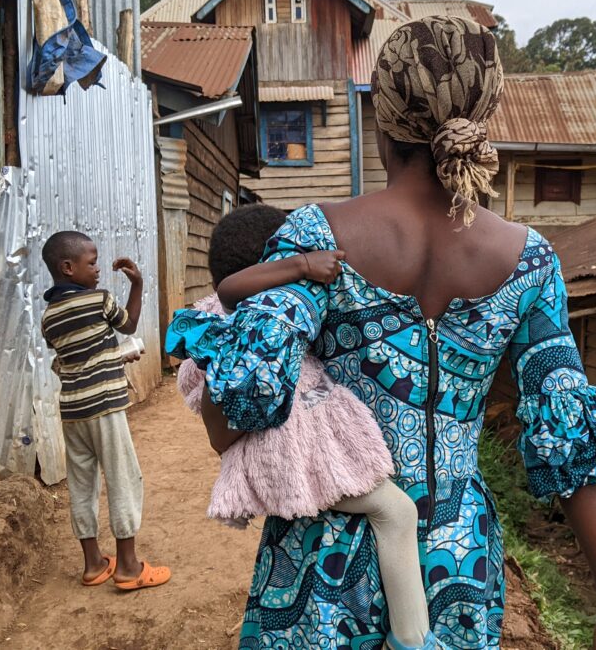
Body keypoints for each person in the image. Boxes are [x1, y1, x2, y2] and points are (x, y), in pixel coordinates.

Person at [167, 16, 596, 649]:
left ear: (381, 120)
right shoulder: (530, 261)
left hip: (326, 555)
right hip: (458, 557)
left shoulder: (315, 238)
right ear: (484, 118)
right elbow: (573, 444)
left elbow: (242, 405)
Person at [173, 204, 437, 649]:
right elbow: (230, 296)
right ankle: (412, 640)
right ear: (274, 264)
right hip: (296, 453)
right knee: (397, 512)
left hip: (303, 448)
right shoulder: (242, 325)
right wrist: (301, 264)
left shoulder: (248, 319)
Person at [41, 231, 170, 591]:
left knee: (82, 485)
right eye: (92, 262)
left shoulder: (48, 317)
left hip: (73, 411)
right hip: (105, 407)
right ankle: (129, 566)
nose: (98, 269)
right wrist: (139, 284)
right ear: (68, 268)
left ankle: (94, 564)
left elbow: (70, 354)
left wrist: (108, 355)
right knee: (122, 478)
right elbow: (127, 324)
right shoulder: (99, 300)